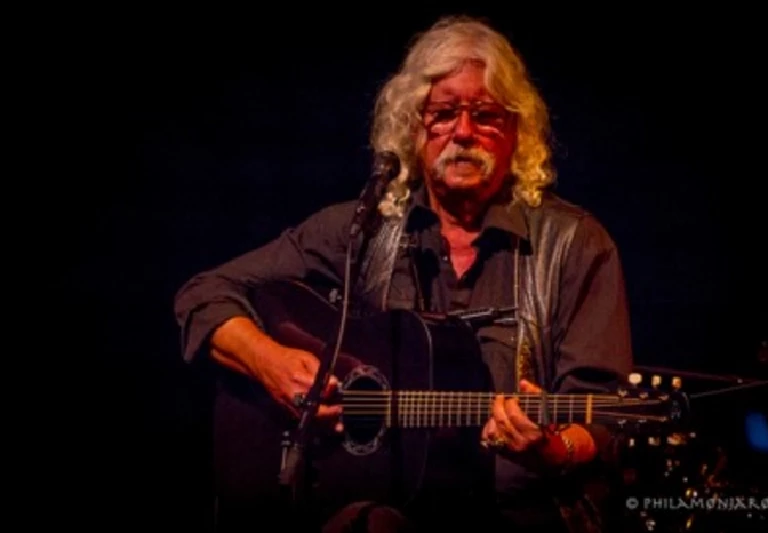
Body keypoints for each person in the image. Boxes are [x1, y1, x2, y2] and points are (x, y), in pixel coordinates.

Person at [174, 15, 633, 533]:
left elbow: (606, 417)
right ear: (412, 128)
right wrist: (271, 364)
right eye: (442, 114)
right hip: (378, 507)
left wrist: (553, 449)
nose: (463, 132)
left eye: (485, 115)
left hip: (524, 516)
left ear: (516, 133)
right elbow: (204, 292)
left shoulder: (575, 244)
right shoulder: (360, 231)